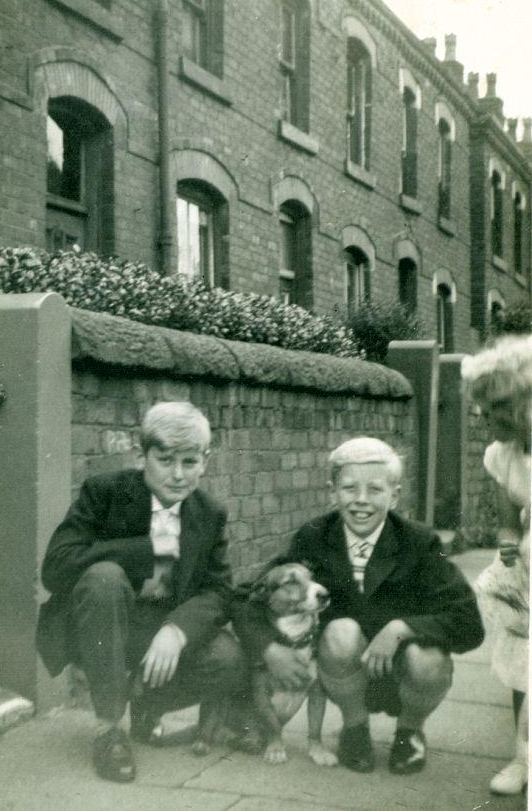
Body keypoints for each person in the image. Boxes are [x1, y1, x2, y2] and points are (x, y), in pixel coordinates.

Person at [233, 437, 484, 774]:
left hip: (402, 672)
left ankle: (409, 733)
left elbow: (469, 622)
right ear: (332, 492)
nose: (361, 501)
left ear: (395, 494)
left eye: (376, 490)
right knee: (340, 632)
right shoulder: (314, 536)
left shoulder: (421, 542)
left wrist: (402, 628)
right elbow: (247, 596)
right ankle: (355, 729)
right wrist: (267, 649)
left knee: (429, 660)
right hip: (342, 673)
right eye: (349, 488)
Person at [36, 401, 245, 782]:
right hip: (101, 625)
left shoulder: (209, 512)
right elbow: (56, 567)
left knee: (228, 658)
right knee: (105, 577)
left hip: (157, 630)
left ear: (206, 460)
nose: (178, 475)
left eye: (190, 462)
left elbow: (219, 590)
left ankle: (147, 703)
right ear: (140, 454)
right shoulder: (104, 493)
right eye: (165, 461)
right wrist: (144, 549)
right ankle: (108, 729)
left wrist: (177, 630)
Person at [461, 335, 531, 795]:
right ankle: (524, 758)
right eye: (482, 407)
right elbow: (508, 519)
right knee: (523, 667)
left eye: (495, 407)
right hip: (527, 572)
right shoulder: (504, 457)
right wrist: (509, 544)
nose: (484, 417)